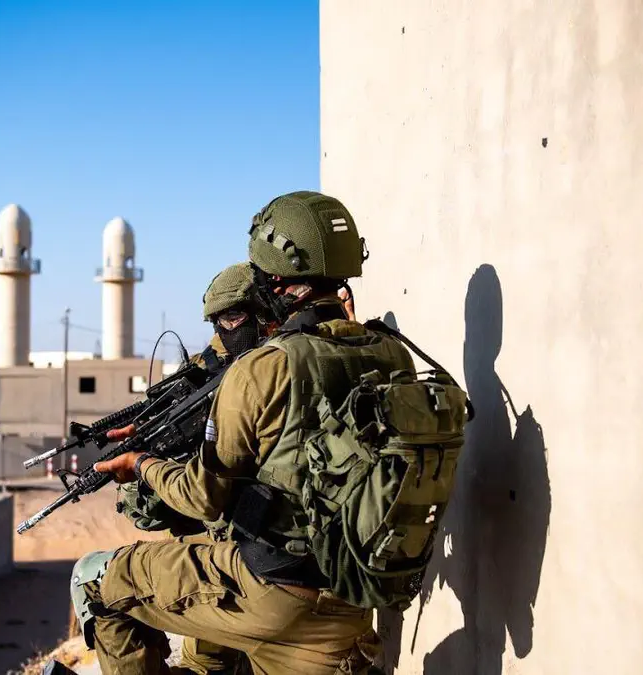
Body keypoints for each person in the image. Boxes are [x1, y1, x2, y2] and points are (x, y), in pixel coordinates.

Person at [59, 191, 418, 675]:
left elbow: (203, 496)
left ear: (273, 280)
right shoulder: (393, 354)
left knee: (93, 582)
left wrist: (141, 463)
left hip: (271, 592)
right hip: (353, 596)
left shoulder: (262, 367)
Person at [114, 262, 273, 674]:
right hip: (236, 543)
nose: (225, 330)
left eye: (233, 318)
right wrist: (151, 430)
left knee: (102, 584)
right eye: (219, 322)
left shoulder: (275, 364)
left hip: (264, 557)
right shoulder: (219, 362)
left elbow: (202, 496)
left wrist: (142, 465)